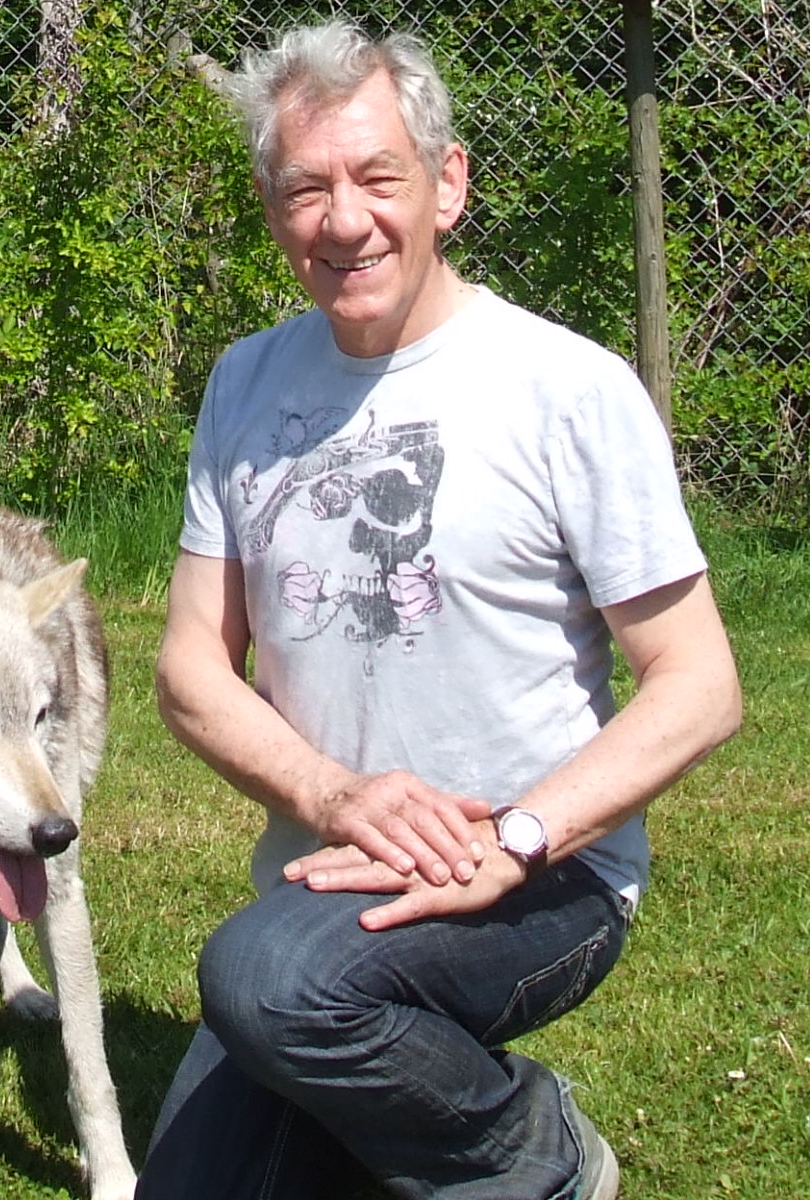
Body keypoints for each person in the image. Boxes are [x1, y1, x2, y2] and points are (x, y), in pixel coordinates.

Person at [137, 21, 740, 1200]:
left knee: (267, 986)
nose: (343, 219)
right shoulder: (244, 381)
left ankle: (534, 1149)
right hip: (330, 868)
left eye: (377, 177)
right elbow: (189, 673)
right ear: (273, 211)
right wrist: (333, 796)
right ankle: (371, 1097)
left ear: (447, 183)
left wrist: (515, 838)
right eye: (306, 188)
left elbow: (701, 684)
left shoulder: (565, 388)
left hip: (541, 873)